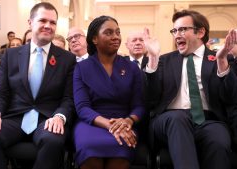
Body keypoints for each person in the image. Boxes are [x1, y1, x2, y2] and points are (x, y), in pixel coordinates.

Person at [0, 2, 76, 169]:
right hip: (16, 116)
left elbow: (69, 98)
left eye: (52, 22)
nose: (48, 26)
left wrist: (60, 116)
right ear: (30, 23)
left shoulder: (67, 59)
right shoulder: (10, 55)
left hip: (48, 118)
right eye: (43, 20)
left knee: (53, 140)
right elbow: (0, 92)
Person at [144, 10, 237, 169]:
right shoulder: (163, 60)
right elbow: (149, 98)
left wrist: (221, 62)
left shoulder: (220, 58)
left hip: (207, 121)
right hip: (168, 119)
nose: (176, 35)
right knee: (178, 118)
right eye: (174, 30)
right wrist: (153, 58)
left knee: (219, 138)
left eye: (182, 29)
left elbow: (230, 97)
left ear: (200, 32)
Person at [73, 15, 144, 169]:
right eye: (109, 33)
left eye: (118, 32)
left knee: (122, 148)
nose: (115, 37)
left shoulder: (132, 67)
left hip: (124, 124)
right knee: (90, 151)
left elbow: (139, 106)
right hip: (92, 123)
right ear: (94, 39)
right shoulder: (82, 68)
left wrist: (128, 121)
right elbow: (82, 107)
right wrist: (109, 125)